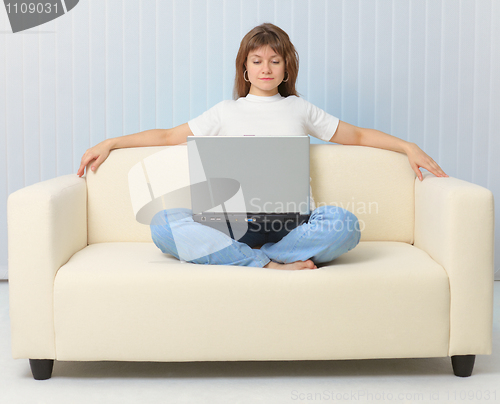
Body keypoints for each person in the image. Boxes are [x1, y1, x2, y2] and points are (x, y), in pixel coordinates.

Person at [77, 23, 448, 271]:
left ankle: (261, 258)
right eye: (257, 61)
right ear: (245, 69)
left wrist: (407, 146)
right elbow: (166, 137)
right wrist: (113, 141)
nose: (266, 68)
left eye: (275, 61)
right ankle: (267, 264)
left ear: (287, 69)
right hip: (234, 224)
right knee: (163, 224)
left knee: (345, 224)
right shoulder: (224, 112)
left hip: (293, 224)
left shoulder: (300, 109)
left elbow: (360, 136)